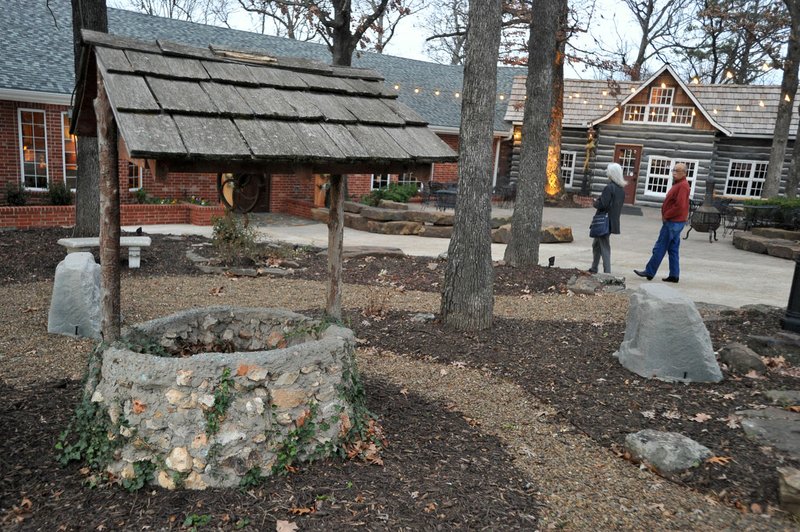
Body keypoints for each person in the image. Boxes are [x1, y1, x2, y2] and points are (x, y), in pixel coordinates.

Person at [634, 162, 691, 283]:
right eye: (673, 170)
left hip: (673, 222)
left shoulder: (682, 186)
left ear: (684, 173)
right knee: (673, 249)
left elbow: (679, 206)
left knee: (660, 247)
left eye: (677, 171)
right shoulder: (680, 184)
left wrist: (666, 215)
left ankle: (649, 271)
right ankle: (674, 275)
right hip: (676, 222)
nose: (674, 173)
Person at [589, 163, 626, 274]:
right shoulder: (621, 189)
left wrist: (595, 202)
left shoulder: (609, 188)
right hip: (612, 221)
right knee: (596, 244)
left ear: (612, 173)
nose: (606, 172)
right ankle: (594, 268)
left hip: (604, 222)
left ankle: (607, 273)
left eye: (608, 171)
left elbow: (603, 205)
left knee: (604, 246)